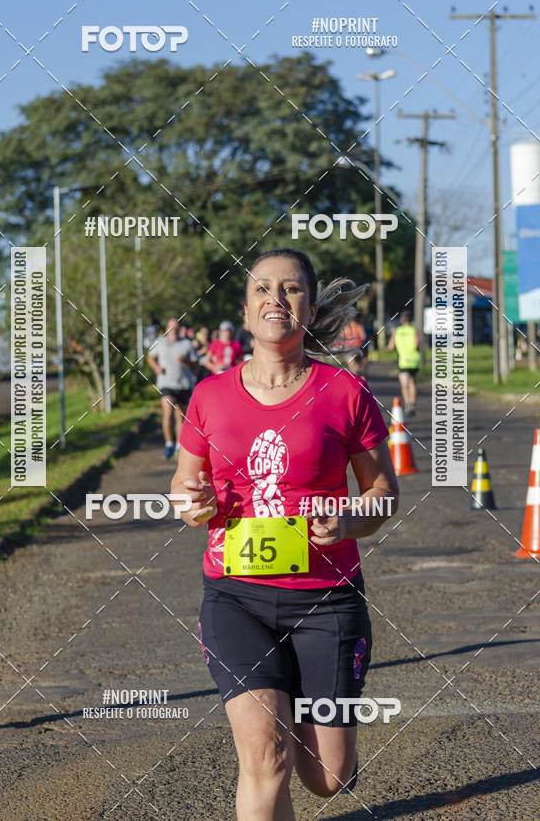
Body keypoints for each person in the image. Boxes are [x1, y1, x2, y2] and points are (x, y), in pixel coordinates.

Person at [170, 249, 398, 820]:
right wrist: (193, 504)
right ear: (245, 310)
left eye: (291, 288)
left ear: (310, 308)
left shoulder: (344, 392)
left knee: (327, 777)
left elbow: (383, 492)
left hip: (327, 599)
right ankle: (276, 708)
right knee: (265, 757)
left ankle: (297, 701)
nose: (276, 298)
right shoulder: (209, 395)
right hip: (236, 597)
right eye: (262, 289)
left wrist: (348, 520)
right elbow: (182, 489)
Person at [146, 317, 196, 459]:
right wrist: (156, 368)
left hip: (183, 384)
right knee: (167, 411)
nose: (173, 330)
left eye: (176, 328)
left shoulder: (186, 344)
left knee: (180, 416)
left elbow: (196, 364)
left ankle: (179, 446)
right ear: (166, 329)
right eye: (171, 327)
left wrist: (185, 361)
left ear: (179, 329)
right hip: (166, 384)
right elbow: (150, 357)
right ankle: (169, 443)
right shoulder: (160, 342)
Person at [387, 310, 421, 416]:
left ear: (402, 320)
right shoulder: (414, 330)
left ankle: (407, 403)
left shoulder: (397, 331)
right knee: (412, 382)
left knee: (404, 384)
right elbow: (417, 343)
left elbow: (391, 347)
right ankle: (413, 405)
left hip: (403, 361)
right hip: (414, 360)